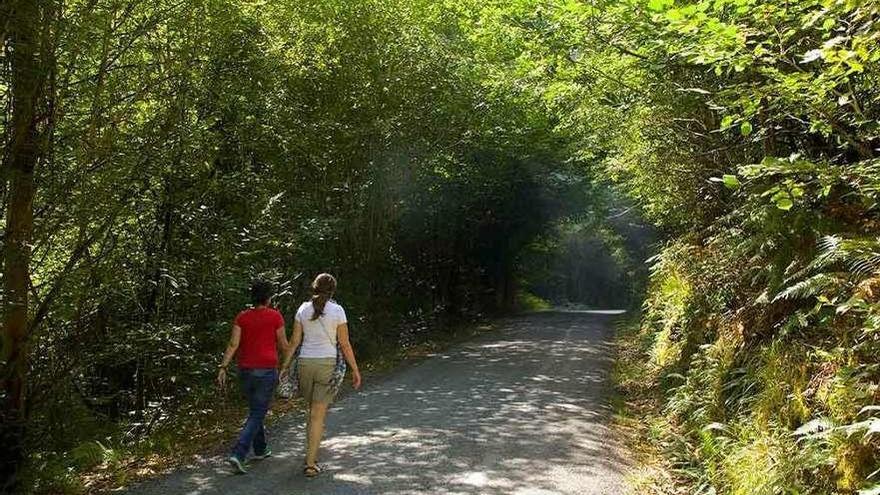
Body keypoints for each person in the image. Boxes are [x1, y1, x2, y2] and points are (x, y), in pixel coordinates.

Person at [280, 273, 362, 478]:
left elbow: (294, 342)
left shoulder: (302, 309)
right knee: (318, 415)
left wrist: (285, 366)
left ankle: (311, 455)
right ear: (333, 290)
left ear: (314, 288)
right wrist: (355, 369)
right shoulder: (338, 311)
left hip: (305, 364)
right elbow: (345, 344)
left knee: (311, 413)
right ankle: (310, 463)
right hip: (327, 364)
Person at [217, 280, 288, 474]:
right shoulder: (275, 316)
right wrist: (289, 364)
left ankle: (260, 448)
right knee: (258, 412)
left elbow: (233, 344)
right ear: (268, 298)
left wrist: (223, 366)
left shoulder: (242, 317)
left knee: (256, 410)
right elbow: (283, 344)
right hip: (266, 371)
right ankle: (239, 453)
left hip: (245, 371)